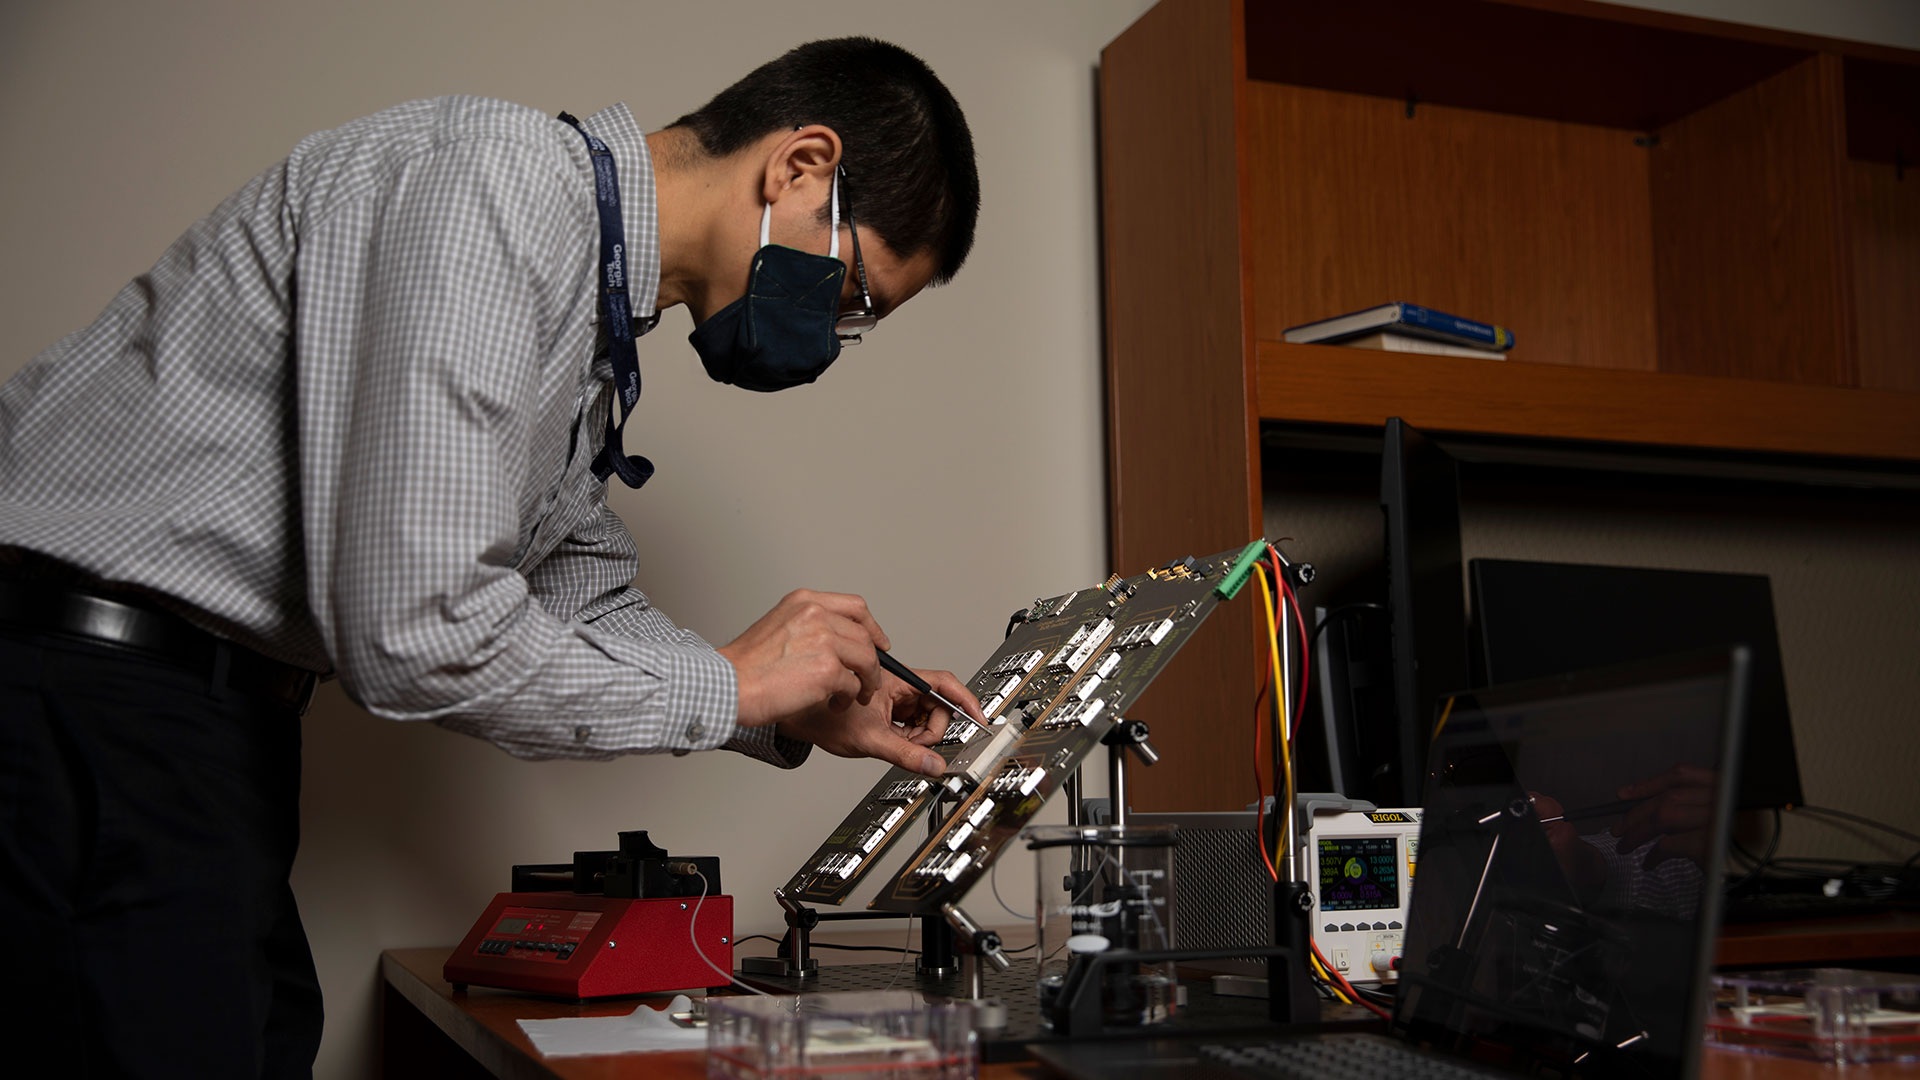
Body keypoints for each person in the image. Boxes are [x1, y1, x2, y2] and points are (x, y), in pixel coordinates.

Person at [0, 37, 980, 1079]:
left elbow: (572, 594)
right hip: (83, 705)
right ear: (799, 168)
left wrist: (786, 702)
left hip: (204, 730)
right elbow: (418, 630)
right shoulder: (497, 190)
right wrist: (730, 685)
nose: (833, 336)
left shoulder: (588, 318)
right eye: (855, 295)